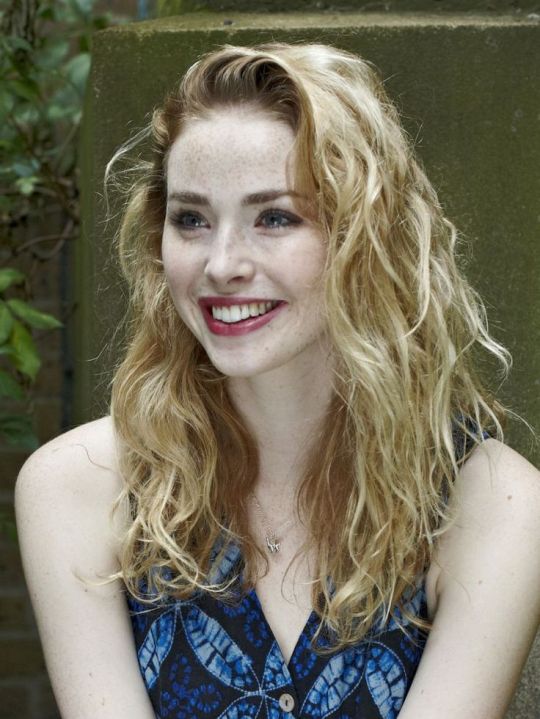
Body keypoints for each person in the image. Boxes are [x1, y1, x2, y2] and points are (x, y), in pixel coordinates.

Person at [15, 42, 540, 719]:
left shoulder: (494, 505)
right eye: (192, 219)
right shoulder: (81, 487)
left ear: (365, 237)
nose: (221, 264)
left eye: (276, 217)